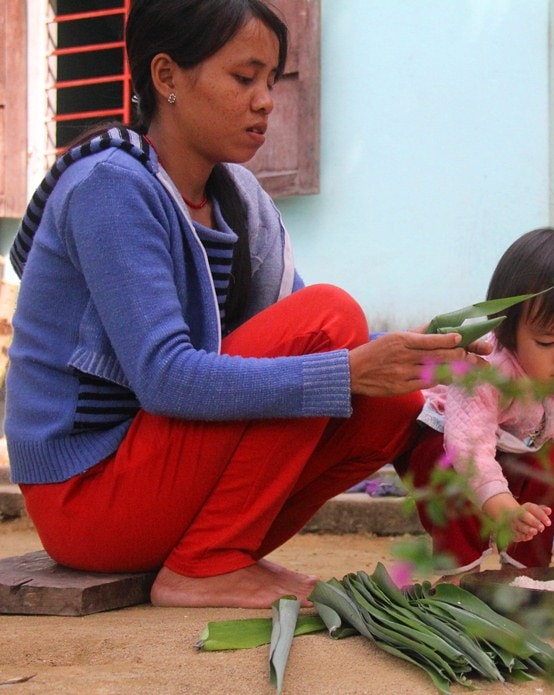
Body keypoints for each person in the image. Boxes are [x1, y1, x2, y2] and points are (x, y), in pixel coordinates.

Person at [3, 0, 481, 609]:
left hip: (161, 474)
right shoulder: (110, 188)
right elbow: (166, 378)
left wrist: (422, 353)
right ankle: (206, 564)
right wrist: (348, 366)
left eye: (272, 80)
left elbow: (304, 339)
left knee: (392, 404)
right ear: (168, 77)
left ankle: (217, 552)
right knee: (334, 318)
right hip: (89, 496)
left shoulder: (236, 200)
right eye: (243, 77)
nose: (265, 100)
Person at [399, 227, 554, 579]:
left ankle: (527, 571)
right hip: (450, 446)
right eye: (547, 343)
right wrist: (502, 507)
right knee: (446, 469)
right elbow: (467, 448)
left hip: (513, 451)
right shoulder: (487, 371)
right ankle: (459, 573)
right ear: (510, 331)